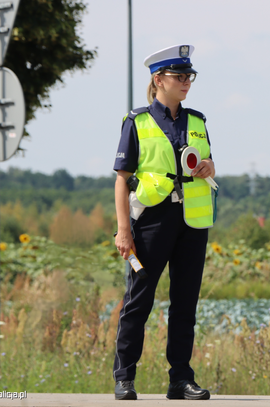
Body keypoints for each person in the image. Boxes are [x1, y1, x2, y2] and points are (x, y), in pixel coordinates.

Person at [112, 44, 215, 401]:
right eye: (180, 76)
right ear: (159, 80)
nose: (187, 82)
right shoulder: (137, 121)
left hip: (192, 223)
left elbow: (208, 163)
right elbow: (122, 179)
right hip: (151, 222)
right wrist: (124, 230)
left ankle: (180, 379)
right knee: (138, 302)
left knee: (185, 304)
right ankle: (124, 377)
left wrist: (208, 167)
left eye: (190, 76)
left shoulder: (198, 120)